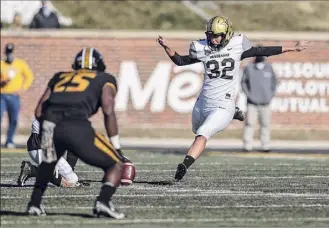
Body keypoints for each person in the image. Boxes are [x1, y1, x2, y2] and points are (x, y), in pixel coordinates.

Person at [157, 16, 309, 181]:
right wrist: (167, 47)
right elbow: (180, 61)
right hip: (203, 101)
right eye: (210, 35)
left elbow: (263, 51)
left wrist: (293, 48)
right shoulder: (202, 47)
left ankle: (184, 165)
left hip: (223, 104)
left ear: (226, 35)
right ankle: (234, 112)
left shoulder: (237, 46)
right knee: (196, 128)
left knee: (202, 134)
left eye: (217, 35)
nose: (213, 39)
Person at [27, 47, 125, 219]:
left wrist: (49, 129)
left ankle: (34, 204)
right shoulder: (105, 78)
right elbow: (108, 110)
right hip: (76, 126)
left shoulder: (59, 76)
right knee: (116, 164)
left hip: (49, 127)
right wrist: (116, 145)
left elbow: (38, 110)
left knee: (48, 164)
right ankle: (103, 202)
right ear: (100, 64)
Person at [17, 118, 80, 187]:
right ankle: (32, 171)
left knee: (73, 179)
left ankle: (31, 170)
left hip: (42, 147)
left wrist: (69, 170)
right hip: (39, 147)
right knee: (68, 183)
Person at [241, 54, 277, 152]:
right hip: (252, 103)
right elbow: (243, 82)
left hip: (265, 103)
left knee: (265, 124)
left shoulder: (269, 67)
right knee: (249, 123)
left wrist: (270, 96)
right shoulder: (249, 67)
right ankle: (247, 144)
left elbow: (274, 83)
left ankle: (265, 145)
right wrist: (249, 95)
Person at [1, 43, 34, 148]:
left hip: (14, 95)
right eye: (7, 53)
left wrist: (23, 88)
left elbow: (29, 76)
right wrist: (3, 81)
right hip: (2, 95)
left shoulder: (20, 64)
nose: (9, 55)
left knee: (14, 119)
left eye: (10, 53)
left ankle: (9, 140)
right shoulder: (1, 64)